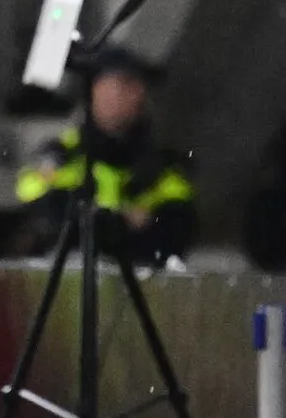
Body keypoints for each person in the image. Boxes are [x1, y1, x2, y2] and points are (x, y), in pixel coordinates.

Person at [14, 47, 197, 265]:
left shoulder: (165, 168)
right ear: (91, 93)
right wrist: (119, 223)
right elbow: (38, 210)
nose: (117, 96)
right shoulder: (60, 155)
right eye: (108, 85)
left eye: (129, 85)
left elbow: (176, 231)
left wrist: (102, 224)